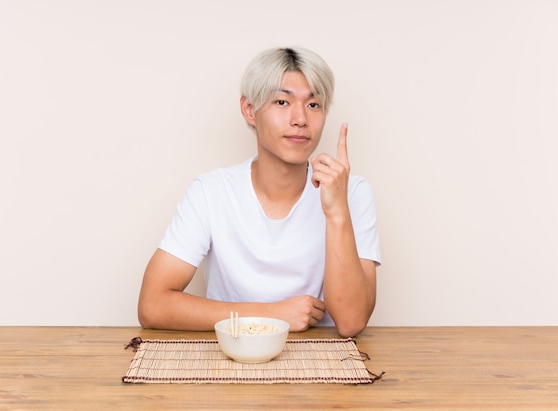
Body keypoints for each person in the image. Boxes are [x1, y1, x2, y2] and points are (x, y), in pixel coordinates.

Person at [138, 47, 381, 337]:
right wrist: (272, 315)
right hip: (229, 358)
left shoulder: (352, 191)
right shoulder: (212, 191)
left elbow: (351, 323)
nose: (300, 119)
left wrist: (337, 212)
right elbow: (152, 305)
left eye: (314, 105)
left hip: (322, 364)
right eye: (282, 101)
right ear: (249, 110)